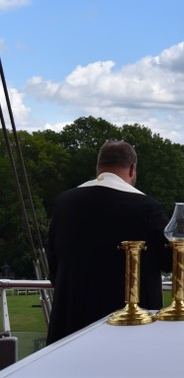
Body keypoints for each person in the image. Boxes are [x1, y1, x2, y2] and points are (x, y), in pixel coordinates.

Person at [46, 140, 171, 344]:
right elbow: (170, 260)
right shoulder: (145, 207)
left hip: (71, 322)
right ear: (132, 169)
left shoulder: (64, 203)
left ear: (98, 167)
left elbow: (54, 264)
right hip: (128, 325)